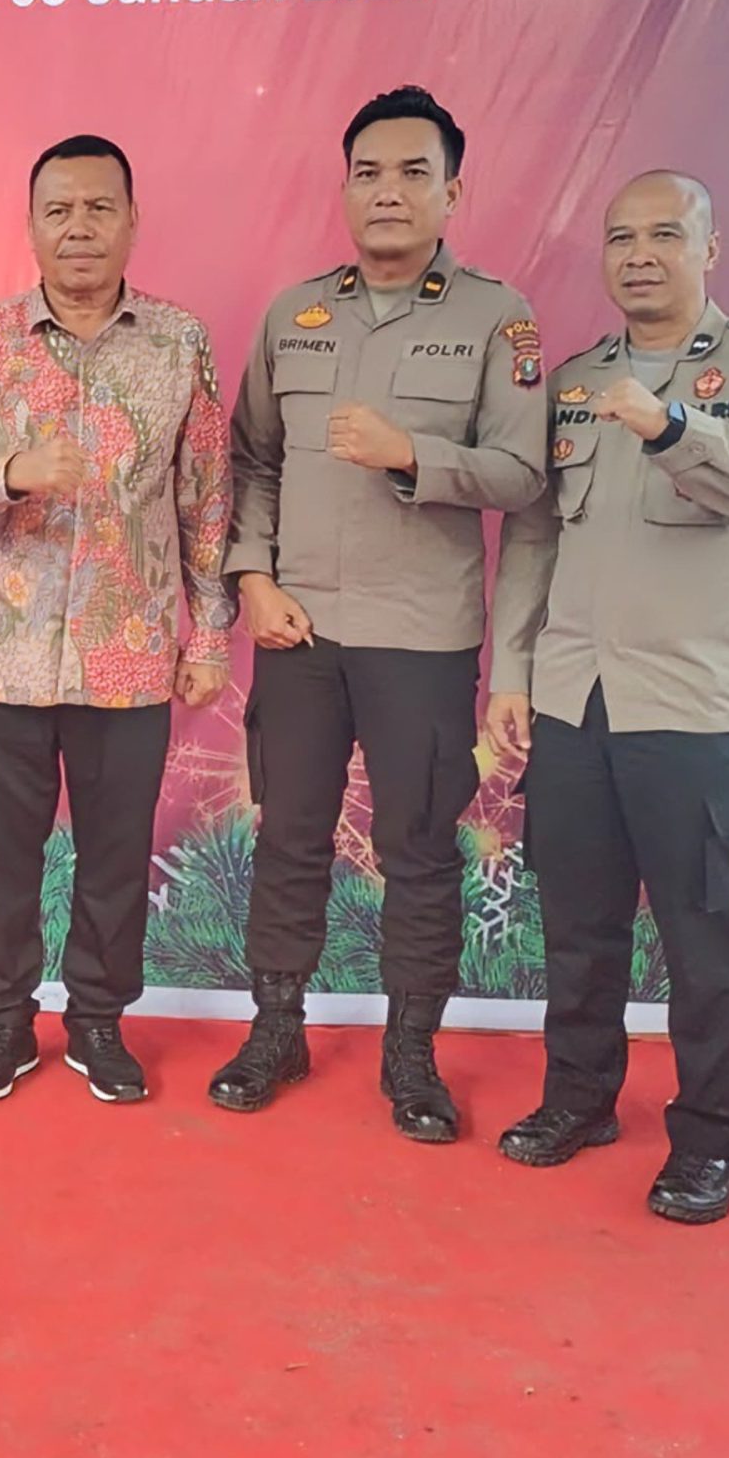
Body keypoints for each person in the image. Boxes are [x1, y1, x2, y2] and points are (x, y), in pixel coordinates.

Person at [485, 171, 729, 1225]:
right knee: (577, 922)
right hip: (573, 695)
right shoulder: (577, 379)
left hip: (685, 704)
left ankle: (711, 1141)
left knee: (699, 937)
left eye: (664, 235)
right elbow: (534, 534)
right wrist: (512, 670)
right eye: (621, 236)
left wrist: (676, 429)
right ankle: (579, 1098)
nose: (639, 254)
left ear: (708, 249)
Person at [212, 86, 548, 1138]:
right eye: (367, 173)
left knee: (418, 847)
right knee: (289, 836)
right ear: (345, 189)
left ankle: (411, 1054)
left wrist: (414, 455)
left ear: (453, 192)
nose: (388, 191)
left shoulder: (496, 316)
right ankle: (277, 1027)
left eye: (412, 173)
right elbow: (252, 459)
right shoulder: (294, 313)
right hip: (300, 628)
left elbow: (523, 472)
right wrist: (252, 576)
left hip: (421, 636)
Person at [0, 135, 233, 1103]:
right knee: (3, 857)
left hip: (127, 656)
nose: (79, 227)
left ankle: (99, 1019)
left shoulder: (179, 341)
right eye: (58, 210)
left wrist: (208, 632)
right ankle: (3, 1023)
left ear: (132, 220)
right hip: (2, 659)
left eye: (100, 207)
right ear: (30, 226)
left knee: (113, 857)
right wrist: (9, 473)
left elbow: (206, 497)